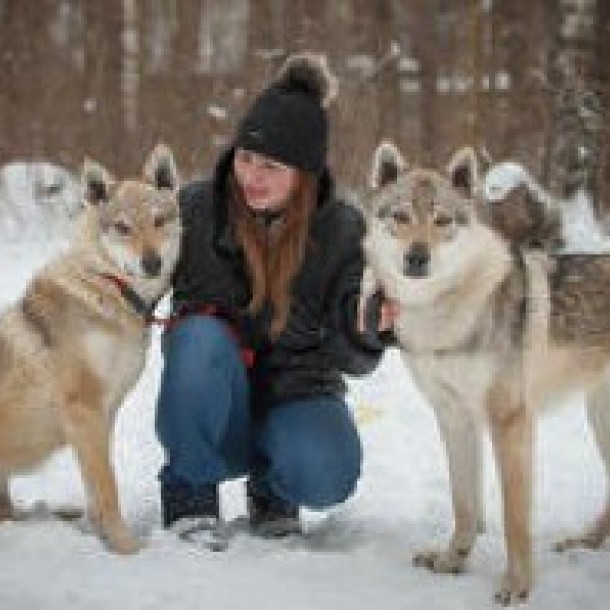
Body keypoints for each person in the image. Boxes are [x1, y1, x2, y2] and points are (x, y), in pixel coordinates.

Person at [155, 52, 395, 550]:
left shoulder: (342, 230)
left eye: (270, 166)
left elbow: (352, 355)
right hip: (212, 398)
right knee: (197, 337)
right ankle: (190, 495)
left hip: (296, 394)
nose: (251, 177)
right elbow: (135, 274)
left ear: (305, 175)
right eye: (245, 157)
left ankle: (273, 490)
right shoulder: (195, 211)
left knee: (329, 472)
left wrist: (368, 325)